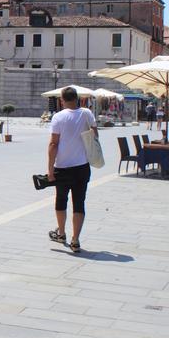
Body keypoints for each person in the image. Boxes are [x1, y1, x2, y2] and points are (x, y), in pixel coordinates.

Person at [47, 86, 96, 253]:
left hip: (62, 166)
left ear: (62, 100)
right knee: (79, 202)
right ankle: (75, 240)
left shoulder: (58, 117)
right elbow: (94, 136)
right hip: (82, 166)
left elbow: (54, 144)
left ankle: (61, 233)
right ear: (78, 99)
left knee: (61, 200)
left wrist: (50, 170)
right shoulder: (87, 114)